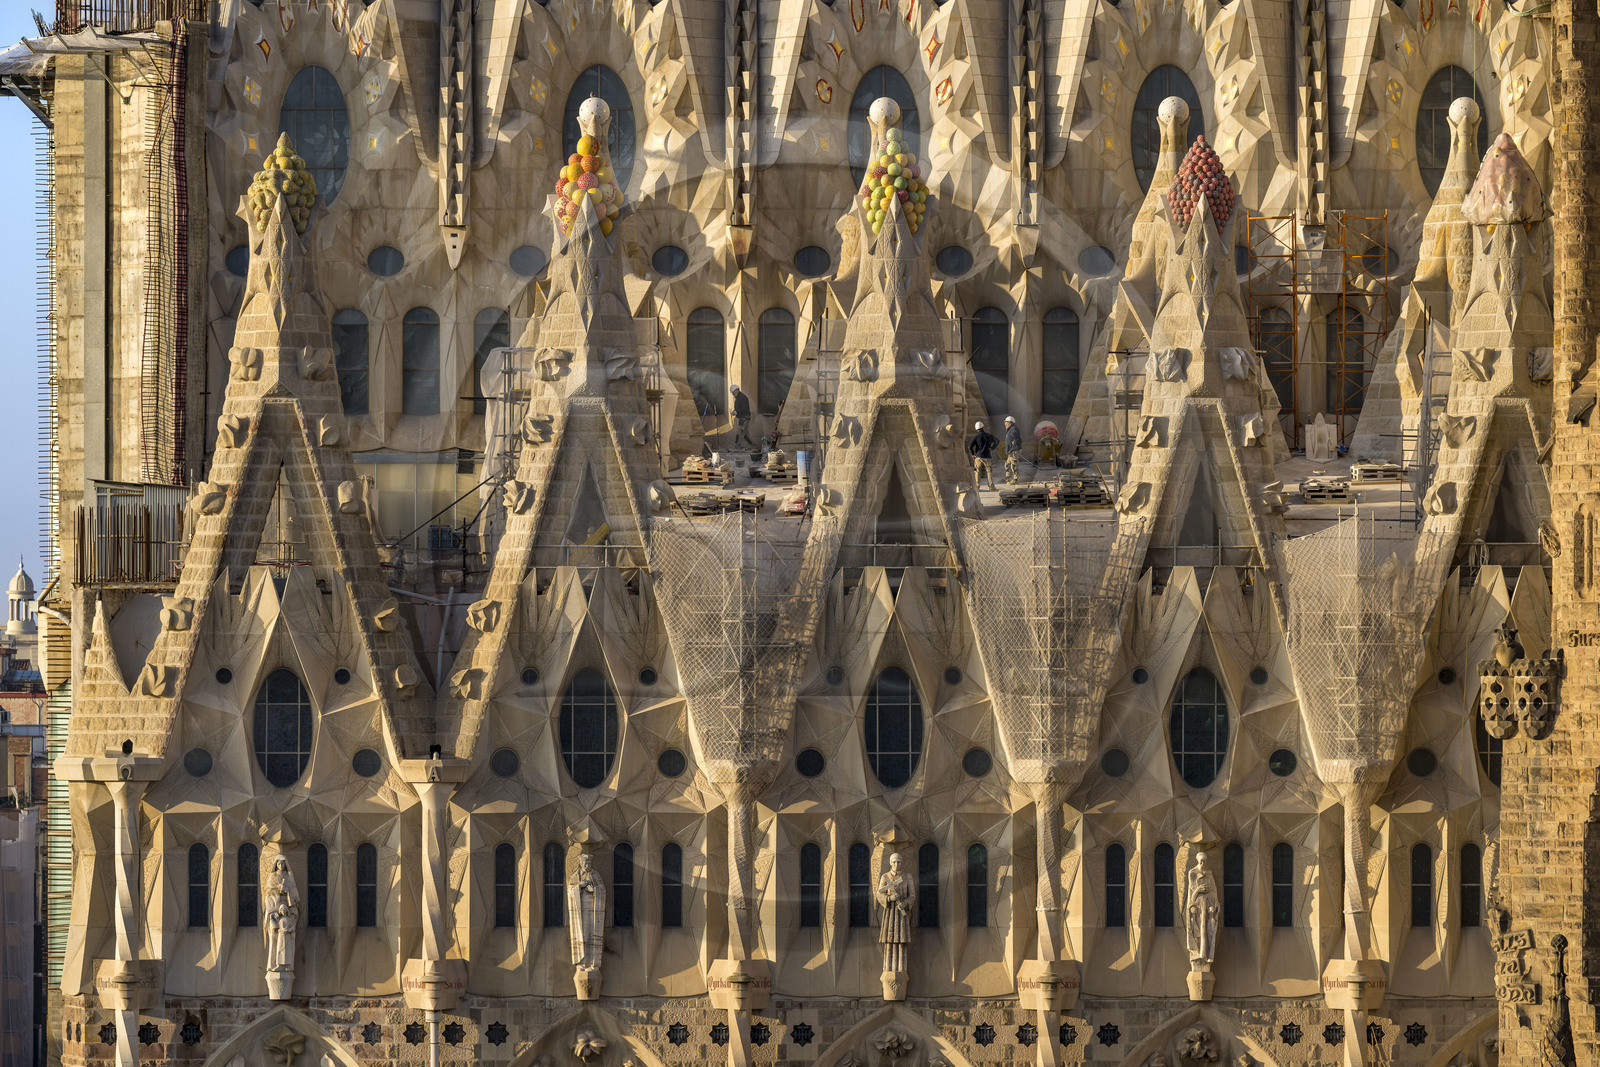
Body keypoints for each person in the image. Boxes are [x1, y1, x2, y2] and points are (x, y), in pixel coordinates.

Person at [967, 421, 999, 490]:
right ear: (983, 427)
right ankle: (991, 487)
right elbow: (997, 441)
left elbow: (969, 446)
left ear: (976, 429)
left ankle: (977, 487)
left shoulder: (975, 437)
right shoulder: (989, 436)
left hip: (978, 457)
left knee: (977, 472)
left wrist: (972, 454)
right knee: (989, 471)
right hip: (987, 456)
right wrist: (992, 448)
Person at [730, 384, 757, 450]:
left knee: (741, 433)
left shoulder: (742, 397)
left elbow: (744, 408)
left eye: (733, 392)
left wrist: (737, 412)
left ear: (736, 390)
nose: (733, 394)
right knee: (744, 433)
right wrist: (735, 411)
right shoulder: (739, 397)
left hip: (744, 418)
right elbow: (739, 407)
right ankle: (753, 446)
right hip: (742, 418)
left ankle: (737, 446)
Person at [1003, 416, 1023, 483]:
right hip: (1010, 451)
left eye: (1006, 423)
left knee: (1014, 464)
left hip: (1013, 451)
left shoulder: (1014, 430)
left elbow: (1018, 440)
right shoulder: (1010, 430)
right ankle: (1007, 477)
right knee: (1007, 464)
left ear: (1011, 423)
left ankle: (1015, 479)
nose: (1005, 425)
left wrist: (1014, 443)